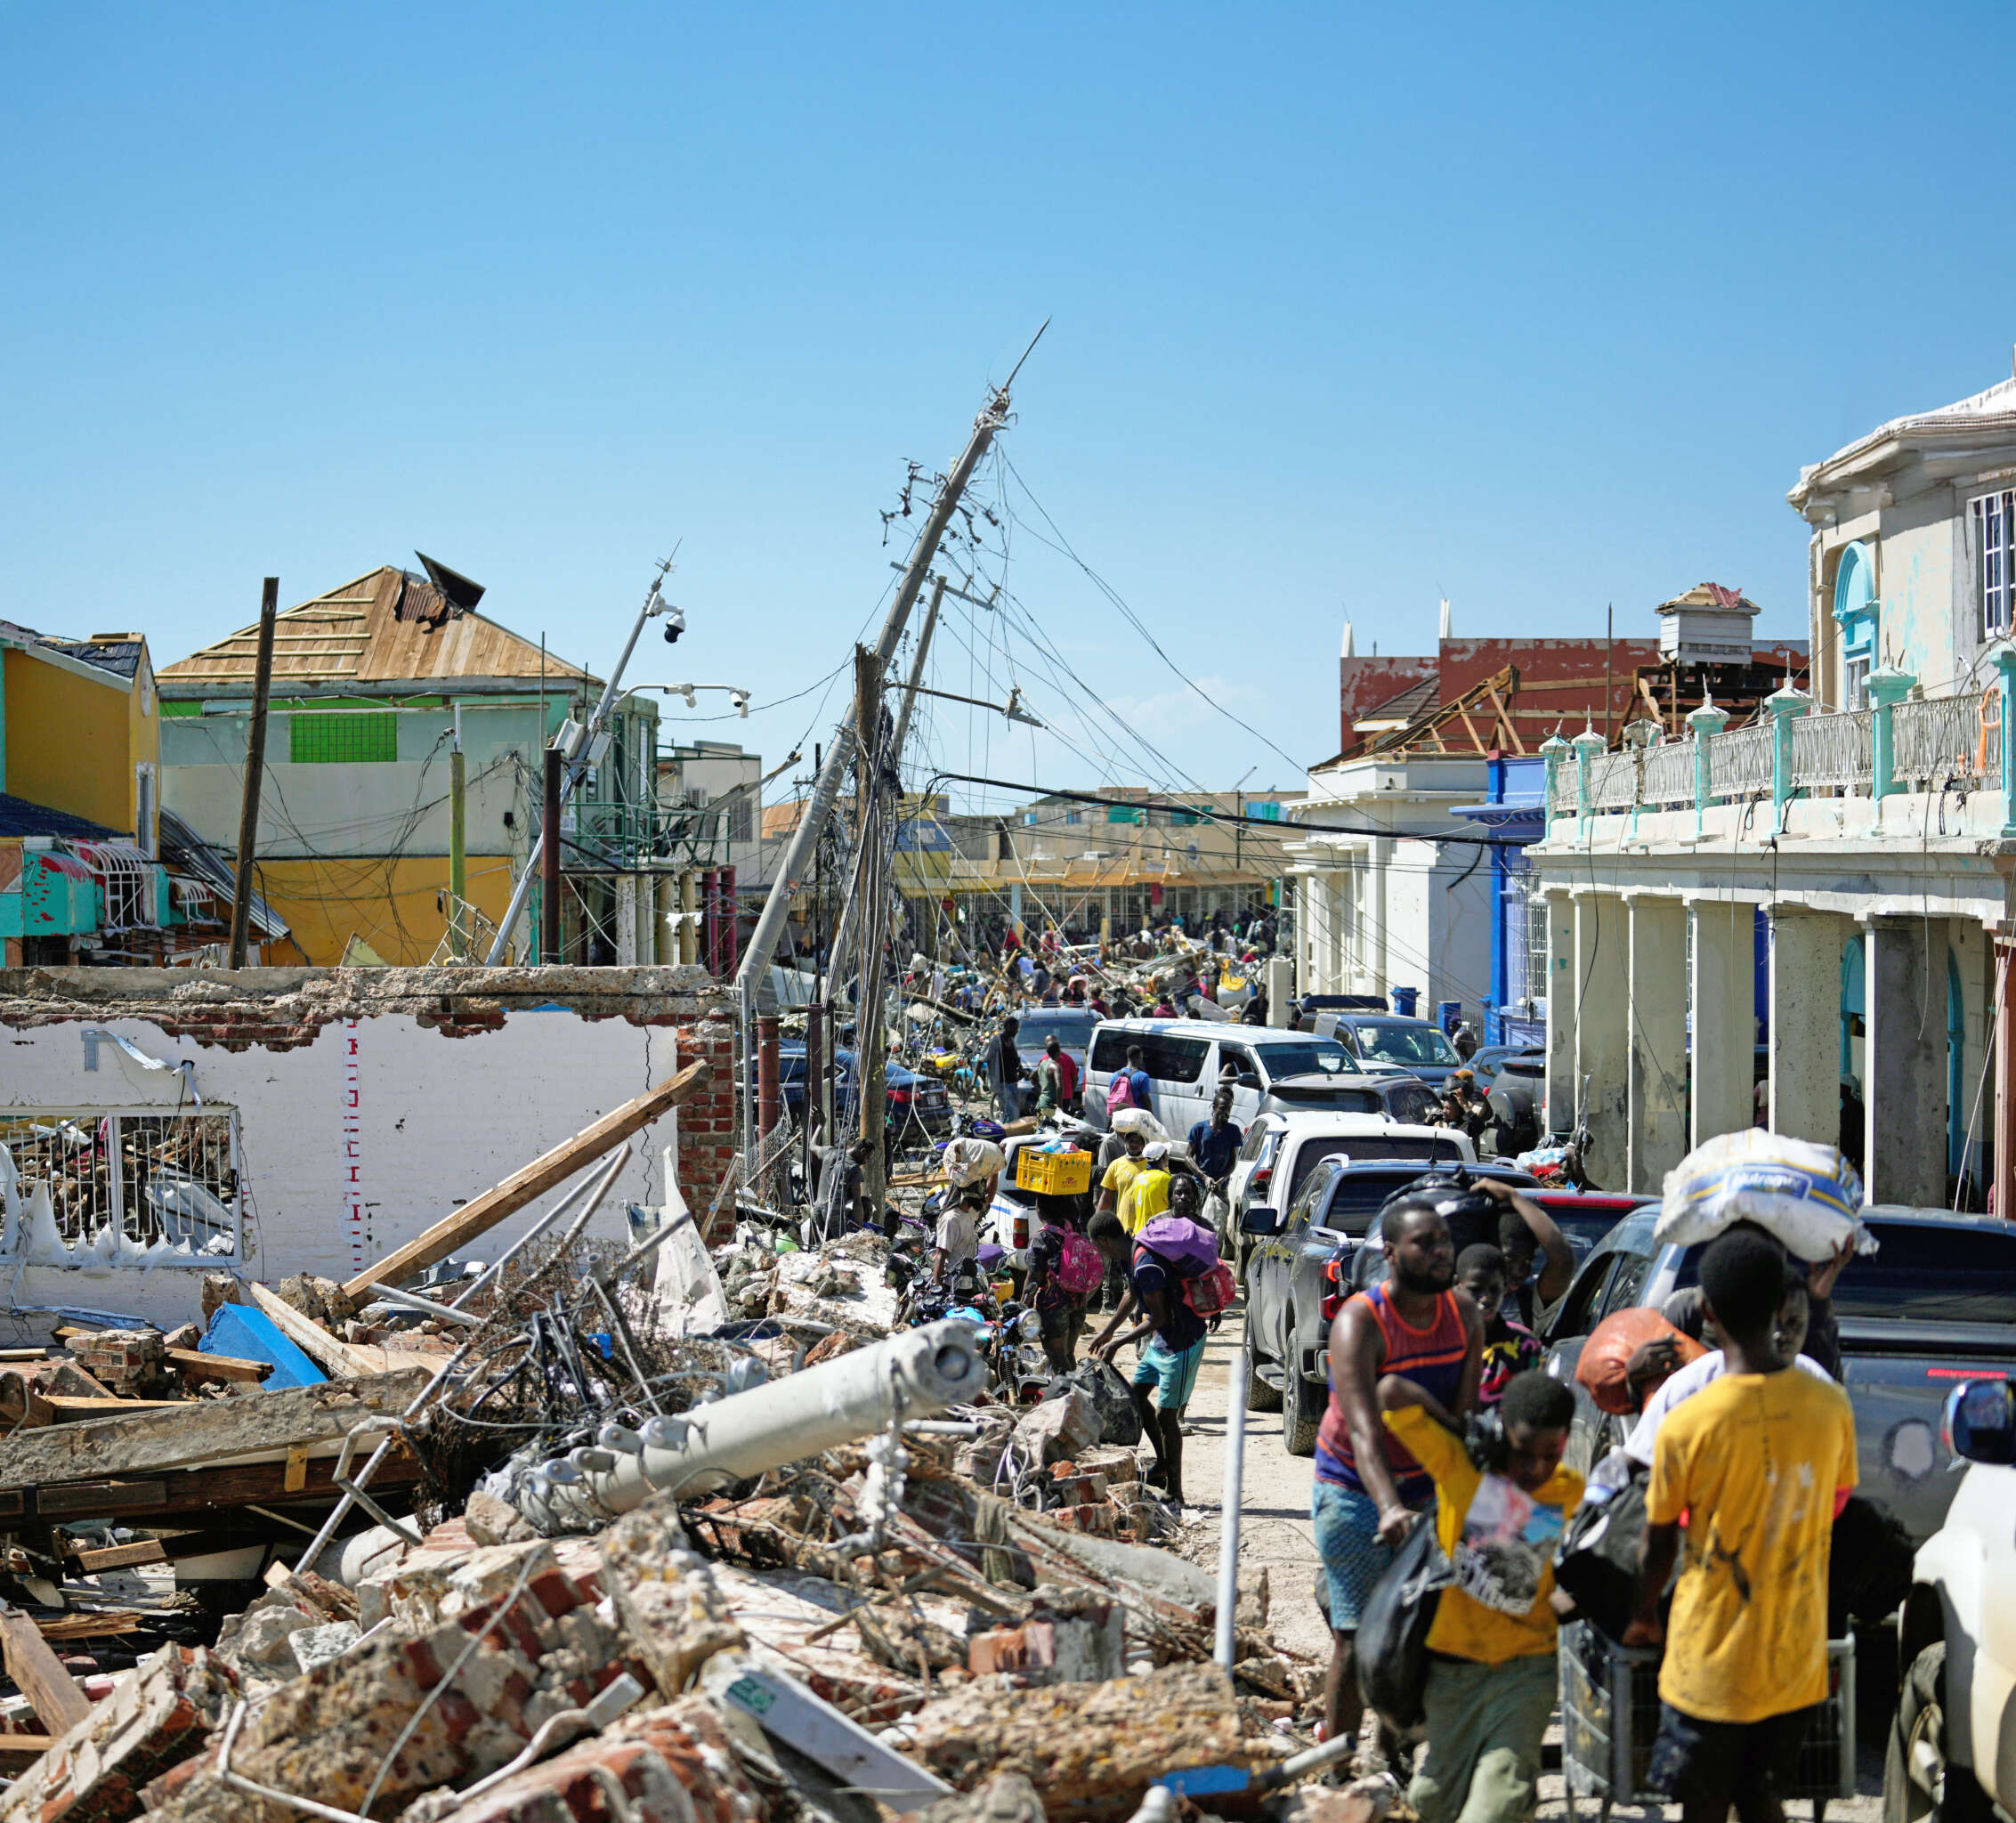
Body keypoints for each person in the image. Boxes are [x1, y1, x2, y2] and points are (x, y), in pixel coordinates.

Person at [1625, 1228, 1858, 1823]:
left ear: (1706, 1313)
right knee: (1760, 1797)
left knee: (1702, 1805)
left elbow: (1658, 1538)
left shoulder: (1686, 1420)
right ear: (1780, 1307)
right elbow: (1835, 1502)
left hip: (1709, 1662)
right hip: (1795, 1657)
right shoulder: (1829, 1404)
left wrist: (1643, 1614)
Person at [1314, 1195, 1485, 1759]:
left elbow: (1460, 1422)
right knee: (1358, 1637)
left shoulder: (1464, 1314)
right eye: (1424, 1243)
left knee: (1416, 1635)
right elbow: (1364, 1430)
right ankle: (1337, 1764)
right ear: (1390, 1253)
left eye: (1444, 1241)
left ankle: (1390, 1761)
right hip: (1354, 1487)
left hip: (1427, 1486)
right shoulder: (1362, 1321)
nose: (1441, 1252)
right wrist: (1388, 1507)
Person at [1378, 1369, 1582, 1823]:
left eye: (1550, 1454)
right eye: (1522, 1452)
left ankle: (1514, 1800)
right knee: (1434, 1801)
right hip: (1454, 1671)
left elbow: (1545, 1578)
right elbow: (1391, 1391)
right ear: (1503, 1433)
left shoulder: (1567, 1490)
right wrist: (1464, 1430)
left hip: (1527, 1669)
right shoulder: (1462, 1467)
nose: (1536, 1469)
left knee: (1497, 1800)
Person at [1089, 1183, 1212, 1508]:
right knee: (1136, 1396)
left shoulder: (1143, 1261)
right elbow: (1131, 1294)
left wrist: (1118, 1342)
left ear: (1104, 1242)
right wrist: (1107, 1332)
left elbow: (1159, 1316)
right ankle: (1161, 1466)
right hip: (1163, 1340)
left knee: (1167, 1416)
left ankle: (1176, 1491)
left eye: (1098, 1247)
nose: (1100, 1253)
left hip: (1182, 1340)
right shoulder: (1133, 1252)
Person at [1456, 1243, 1542, 1408]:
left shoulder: (1526, 1345)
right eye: (1475, 1289)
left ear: (1504, 1288)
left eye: (1495, 1289)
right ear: (1457, 1286)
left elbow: (1533, 1403)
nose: (1486, 1298)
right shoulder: (1438, 1340)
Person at [1487, 1180, 1576, 1328]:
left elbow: (1564, 1259)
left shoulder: (1527, 1299)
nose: (1519, 1272)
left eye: (1527, 1261)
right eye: (1509, 1258)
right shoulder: (1458, 1294)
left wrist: (1514, 1196)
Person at [1025, 1191, 1097, 1371]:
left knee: (1057, 1358)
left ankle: (1067, 1388)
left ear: (1040, 1209)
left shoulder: (1042, 1238)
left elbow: (1034, 1279)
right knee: (1068, 1354)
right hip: (1078, 1301)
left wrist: (1021, 1307)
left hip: (1053, 1307)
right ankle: (1076, 1386)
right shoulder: (1071, 1229)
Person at [1186, 1088, 1244, 1203]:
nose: (1226, 1113)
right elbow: (1187, 1157)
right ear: (1214, 1107)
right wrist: (1204, 1178)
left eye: (1229, 1109)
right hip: (1200, 1185)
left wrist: (1222, 1180)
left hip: (1221, 1187)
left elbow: (1233, 1161)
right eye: (1222, 1108)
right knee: (1197, 1213)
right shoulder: (1199, 1128)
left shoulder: (1233, 1131)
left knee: (1220, 1213)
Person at [932, 1182, 984, 1281]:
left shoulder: (968, 1215)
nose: (981, 1201)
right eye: (979, 1197)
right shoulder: (951, 1219)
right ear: (967, 1197)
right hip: (952, 1284)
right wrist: (938, 1287)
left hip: (967, 1282)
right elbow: (941, 1255)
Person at [992, 1017, 1024, 1122]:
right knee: (1013, 1111)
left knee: (1015, 1111)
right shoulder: (996, 1040)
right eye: (1015, 1028)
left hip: (1013, 1082)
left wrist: (1023, 1071)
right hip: (1002, 1083)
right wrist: (974, 1082)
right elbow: (982, 1059)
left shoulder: (1011, 1041)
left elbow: (1016, 1061)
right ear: (1008, 1027)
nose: (1017, 1031)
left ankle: (1007, 1127)